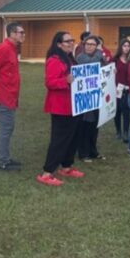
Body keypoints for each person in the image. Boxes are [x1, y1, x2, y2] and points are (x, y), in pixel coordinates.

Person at [37, 31, 85, 186]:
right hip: (60, 106)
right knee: (59, 140)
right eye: (67, 41)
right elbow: (50, 83)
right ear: (58, 44)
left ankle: (66, 166)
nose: (71, 43)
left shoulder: (70, 59)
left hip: (74, 105)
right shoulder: (54, 60)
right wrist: (65, 81)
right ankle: (47, 172)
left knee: (73, 138)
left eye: (72, 40)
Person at [0, 22, 24, 171]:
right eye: (20, 32)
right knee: (6, 128)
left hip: (11, 95)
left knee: (8, 127)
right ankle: (3, 161)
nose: (23, 35)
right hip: (4, 96)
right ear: (12, 34)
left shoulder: (12, 49)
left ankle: (5, 158)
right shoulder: (3, 48)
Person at [76, 35, 106, 162]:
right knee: (85, 126)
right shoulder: (80, 57)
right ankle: (83, 153)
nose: (89, 46)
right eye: (87, 44)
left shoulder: (100, 58)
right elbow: (90, 66)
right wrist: (99, 53)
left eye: (92, 44)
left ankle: (93, 151)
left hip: (97, 96)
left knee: (95, 125)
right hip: (84, 97)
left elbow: (105, 69)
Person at [113, 39, 130, 143]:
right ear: (121, 47)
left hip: (127, 90)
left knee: (126, 111)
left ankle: (125, 133)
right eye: (124, 45)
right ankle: (118, 131)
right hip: (117, 90)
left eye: (128, 46)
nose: (126, 48)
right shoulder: (115, 60)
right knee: (117, 112)